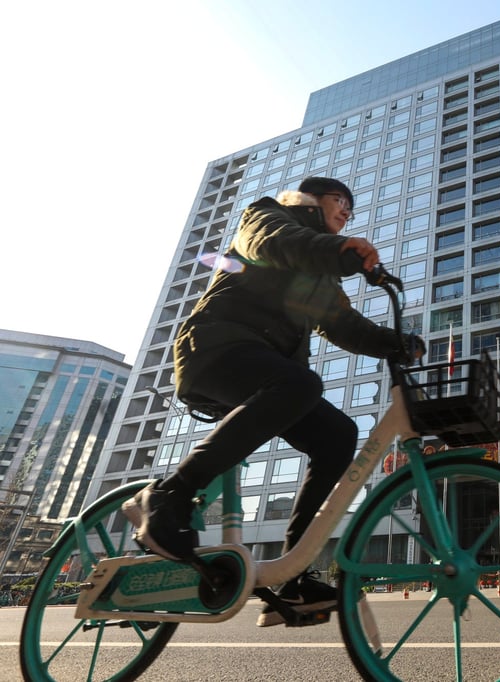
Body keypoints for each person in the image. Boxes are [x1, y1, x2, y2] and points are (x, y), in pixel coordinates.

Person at [122, 177, 423, 625]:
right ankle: (168, 497)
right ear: (311, 201)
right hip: (214, 347)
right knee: (302, 385)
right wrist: (339, 252)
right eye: (340, 202)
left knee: (338, 434)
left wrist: (397, 341)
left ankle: (295, 578)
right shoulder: (267, 217)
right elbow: (278, 243)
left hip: (264, 366)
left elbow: (342, 325)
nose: (346, 213)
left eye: (351, 210)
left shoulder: (315, 271)